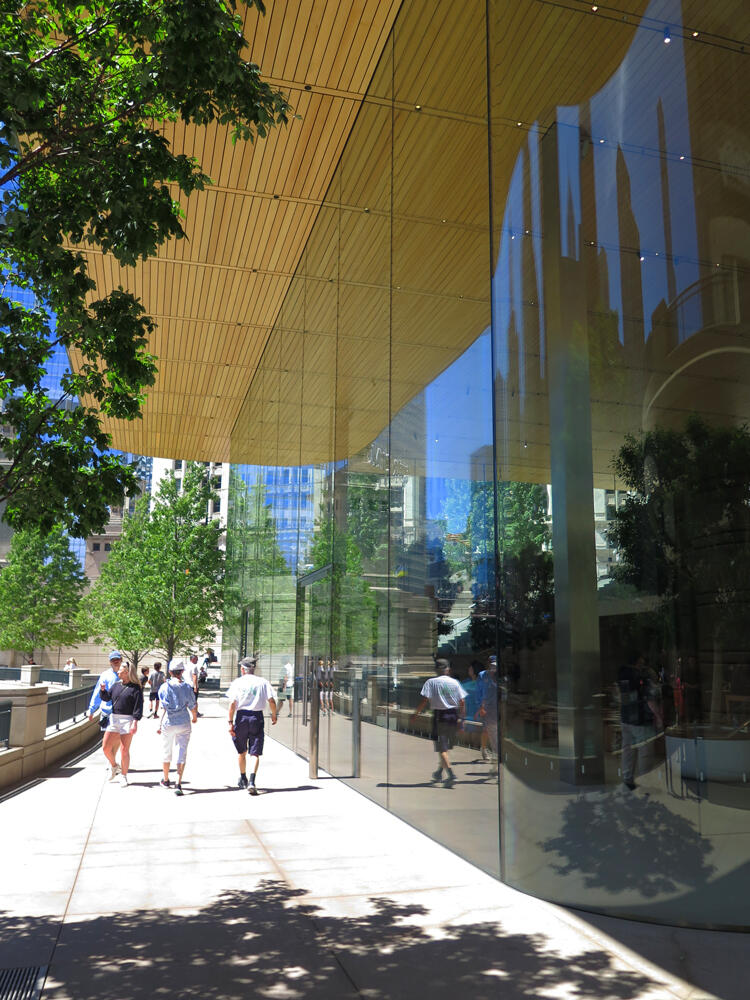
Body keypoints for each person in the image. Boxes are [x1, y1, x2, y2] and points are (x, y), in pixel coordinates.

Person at [410, 659, 466, 788]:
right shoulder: (455, 682)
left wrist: (416, 714)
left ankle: (451, 775)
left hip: (440, 717)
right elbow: (462, 701)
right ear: (448, 669)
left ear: (436, 670)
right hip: (453, 716)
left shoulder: (431, 682)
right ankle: (439, 772)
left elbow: (424, 700)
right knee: (445, 747)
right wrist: (461, 719)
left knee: (442, 748)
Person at [227, 657, 277, 795]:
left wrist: (230, 722)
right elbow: (271, 701)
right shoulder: (263, 682)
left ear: (243, 669)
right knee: (255, 752)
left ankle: (243, 777)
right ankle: (252, 781)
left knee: (241, 751)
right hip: (257, 717)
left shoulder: (237, 682)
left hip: (241, 717)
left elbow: (232, 704)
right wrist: (274, 714)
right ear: (253, 668)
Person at [618, 651, 662, 791]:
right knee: (645, 752)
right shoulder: (642, 676)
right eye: (642, 661)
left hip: (625, 718)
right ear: (639, 661)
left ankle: (627, 778)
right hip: (641, 720)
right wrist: (658, 716)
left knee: (627, 750)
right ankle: (645, 781)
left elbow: (619, 696)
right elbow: (649, 699)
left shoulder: (622, 674)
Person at [99, 658, 143, 786]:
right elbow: (107, 698)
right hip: (114, 718)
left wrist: (135, 722)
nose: (118, 671)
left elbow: (138, 707)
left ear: (127, 672)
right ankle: (114, 766)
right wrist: (103, 690)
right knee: (106, 747)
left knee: (124, 750)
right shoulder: (116, 685)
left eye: (121, 670)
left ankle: (124, 776)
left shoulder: (135, 688)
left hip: (127, 720)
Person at [157, 659, 197, 796]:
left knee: (166, 750)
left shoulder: (164, 687)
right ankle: (178, 782)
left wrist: (159, 723)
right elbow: (192, 705)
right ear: (182, 672)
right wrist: (194, 717)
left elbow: (163, 707)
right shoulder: (186, 687)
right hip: (183, 721)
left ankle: (166, 779)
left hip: (169, 721)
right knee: (182, 751)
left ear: (170, 672)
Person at [88, 651, 124, 773]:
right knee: (107, 741)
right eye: (113, 660)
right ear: (110, 662)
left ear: (121, 660)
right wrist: (91, 709)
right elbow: (97, 693)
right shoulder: (105, 675)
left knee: (117, 738)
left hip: (120, 712)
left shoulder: (126, 674)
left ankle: (112, 762)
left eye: (117, 659)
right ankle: (113, 762)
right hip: (107, 712)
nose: (116, 661)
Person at [476, 655, 499, 772]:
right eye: (491, 665)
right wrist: (480, 707)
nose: (493, 668)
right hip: (487, 708)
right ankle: (485, 749)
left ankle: (496, 760)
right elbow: (478, 692)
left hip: (497, 708)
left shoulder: (499, 676)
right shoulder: (482, 675)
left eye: (494, 665)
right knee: (487, 730)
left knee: (495, 734)